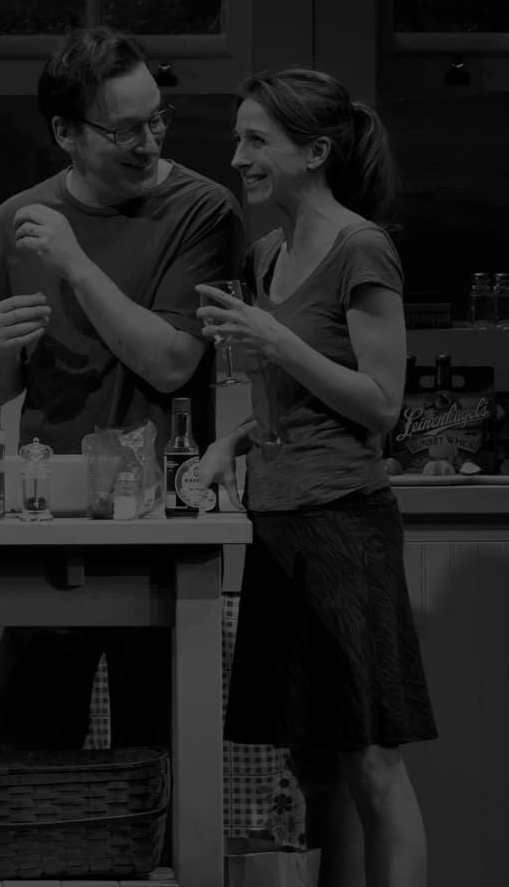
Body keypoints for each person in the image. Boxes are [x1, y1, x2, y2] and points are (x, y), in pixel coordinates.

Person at [0, 26, 246, 753]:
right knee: (32, 760)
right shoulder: (14, 221)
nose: (149, 143)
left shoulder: (203, 211)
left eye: (157, 119)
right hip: (47, 521)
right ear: (65, 131)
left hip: (162, 527)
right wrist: (0, 346)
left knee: (160, 759)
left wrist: (74, 263)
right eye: (125, 129)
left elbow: (170, 363)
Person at [195, 67, 433, 887]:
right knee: (312, 763)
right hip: (280, 522)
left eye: (257, 140)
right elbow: (281, 403)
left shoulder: (362, 248)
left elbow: (381, 404)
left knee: (370, 758)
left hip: (344, 525)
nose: (239, 157)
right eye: (239, 138)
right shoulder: (267, 253)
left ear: (316, 151)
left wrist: (275, 338)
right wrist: (232, 448)